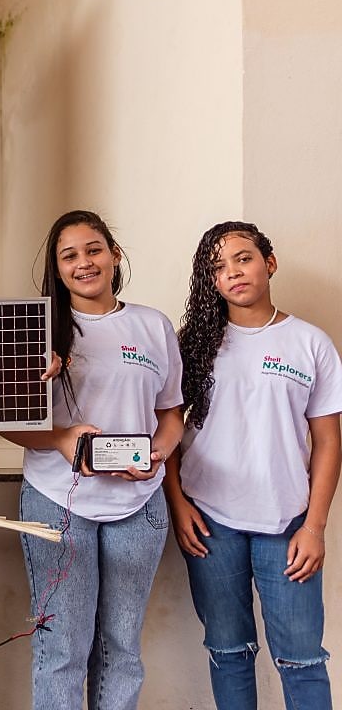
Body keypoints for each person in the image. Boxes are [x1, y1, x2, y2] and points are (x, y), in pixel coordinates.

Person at [0, 210, 183, 710]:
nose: (84, 263)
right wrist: (60, 440)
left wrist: (157, 453)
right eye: (70, 256)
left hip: (139, 507)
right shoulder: (35, 330)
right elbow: (4, 419)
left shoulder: (153, 325)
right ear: (57, 270)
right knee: (62, 648)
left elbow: (171, 414)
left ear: (115, 255)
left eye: (94, 250)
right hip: (58, 503)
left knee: (121, 650)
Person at [167, 221, 342, 709]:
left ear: (270, 261)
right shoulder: (193, 345)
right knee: (229, 653)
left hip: (286, 524)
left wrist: (315, 527)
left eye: (243, 258)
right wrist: (178, 504)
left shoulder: (310, 343)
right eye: (218, 267)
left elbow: (329, 441)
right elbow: (168, 433)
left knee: (303, 660)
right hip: (210, 525)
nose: (233, 273)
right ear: (211, 281)